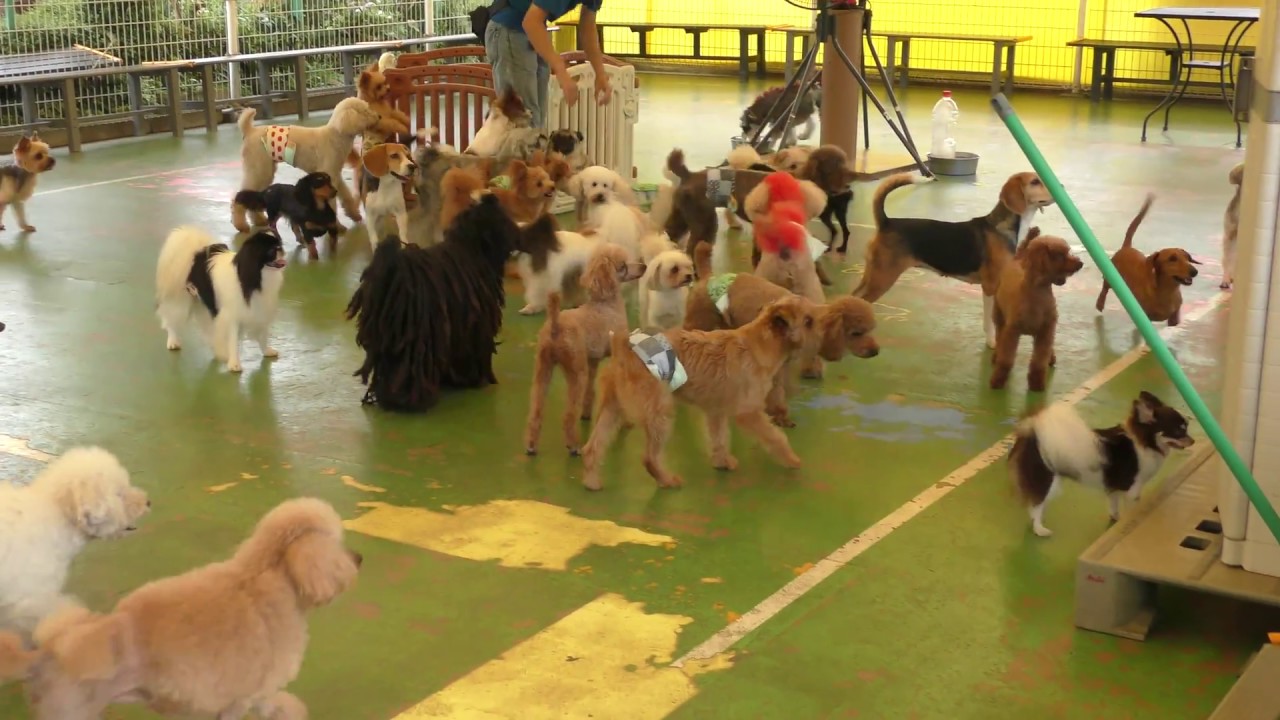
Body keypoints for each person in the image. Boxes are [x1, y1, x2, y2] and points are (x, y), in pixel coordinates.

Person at [485, 0, 613, 129]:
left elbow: (587, 28)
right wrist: (561, 72)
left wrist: (600, 73)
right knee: (520, 120)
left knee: (536, 120)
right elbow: (531, 22)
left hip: (536, 31)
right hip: (510, 28)